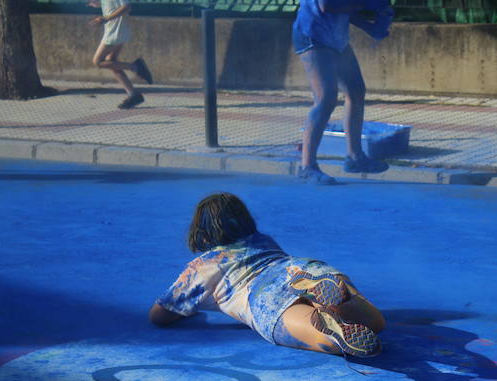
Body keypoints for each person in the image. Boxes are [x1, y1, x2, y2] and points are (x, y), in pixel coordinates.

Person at [149, 193, 385, 358]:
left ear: (201, 233)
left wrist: (192, 309)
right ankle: (329, 299)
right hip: (299, 269)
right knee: (376, 323)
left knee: (320, 337)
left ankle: (334, 332)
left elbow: (159, 315)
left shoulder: (203, 266)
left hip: (264, 295)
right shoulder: (263, 240)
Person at [293, 0, 395, 184]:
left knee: (356, 91)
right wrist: (366, 5)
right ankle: (307, 168)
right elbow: (327, 6)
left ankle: (355, 157)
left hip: (335, 38)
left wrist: (370, 27)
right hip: (313, 35)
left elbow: (346, 9)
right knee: (325, 99)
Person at [87, 0, 153, 109]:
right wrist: (98, 3)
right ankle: (133, 95)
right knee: (111, 62)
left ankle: (136, 67)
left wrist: (106, 18)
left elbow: (127, 7)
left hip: (115, 31)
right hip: (115, 29)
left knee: (97, 61)